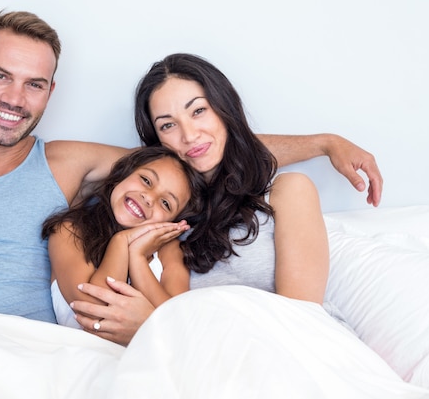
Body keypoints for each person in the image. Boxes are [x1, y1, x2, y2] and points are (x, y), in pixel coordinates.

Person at [0, 10, 382, 390]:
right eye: (0, 76)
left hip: (46, 360)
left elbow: (196, 152)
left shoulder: (67, 164)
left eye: (34, 84)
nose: (15, 98)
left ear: (50, 93)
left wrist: (323, 143)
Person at [71, 53, 339, 343]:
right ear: (156, 141)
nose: (188, 135)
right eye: (167, 125)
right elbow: (68, 161)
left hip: (278, 356)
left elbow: (301, 322)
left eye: (198, 111)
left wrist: (325, 143)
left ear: (224, 109)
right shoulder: (158, 214)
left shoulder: (288, 191)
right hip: (191, 366)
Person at [43, 146, 206, 329]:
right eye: (146, 180)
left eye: (166, 203)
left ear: (173, 221)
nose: (149, 197)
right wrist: (121, 242)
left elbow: (176, 322)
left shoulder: (170, 251)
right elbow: (96, 309)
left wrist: (137, 258)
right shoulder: (69, 230)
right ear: (124, 173)